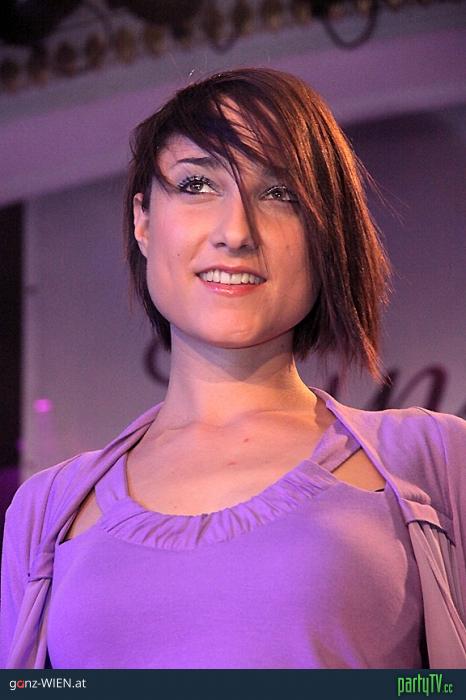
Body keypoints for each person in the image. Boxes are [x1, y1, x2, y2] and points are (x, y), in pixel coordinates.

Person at [1, 68, 465, 670]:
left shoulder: (434, 462)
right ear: (144, 220)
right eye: (197, 184)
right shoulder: (47, 510)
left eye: (280, 193)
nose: (236, 232)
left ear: (327, 232)